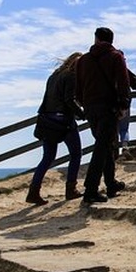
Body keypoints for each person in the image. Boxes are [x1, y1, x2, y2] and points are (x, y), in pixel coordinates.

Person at [75, 27, 131, 204]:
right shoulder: (116, 57)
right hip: (108, 107)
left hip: (90, 108)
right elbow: (123, 82)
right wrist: (123, 104)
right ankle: (90, 189)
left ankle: (111, 183)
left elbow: (77, 87)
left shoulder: (83, 60)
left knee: (105, 144)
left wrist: (84, 104)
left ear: (96, 39)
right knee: (102, 146)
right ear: (111, 40)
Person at [26, 52, 85, 205]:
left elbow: (48, 98)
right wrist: (82, 113)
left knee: (47, 157)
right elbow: (68, 100)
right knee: (76, 154)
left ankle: (33, 191)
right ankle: (70, 189)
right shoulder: (71, 76)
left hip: (47, 119)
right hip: (63, 121)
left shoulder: (54, 76)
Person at [117, 61, 136, 156]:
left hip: (109, 104)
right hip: (124, 103)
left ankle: (114, 151)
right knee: (124, 128)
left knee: (112, 129)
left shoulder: (104, 69)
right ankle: (125, 146)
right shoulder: (124, 70)